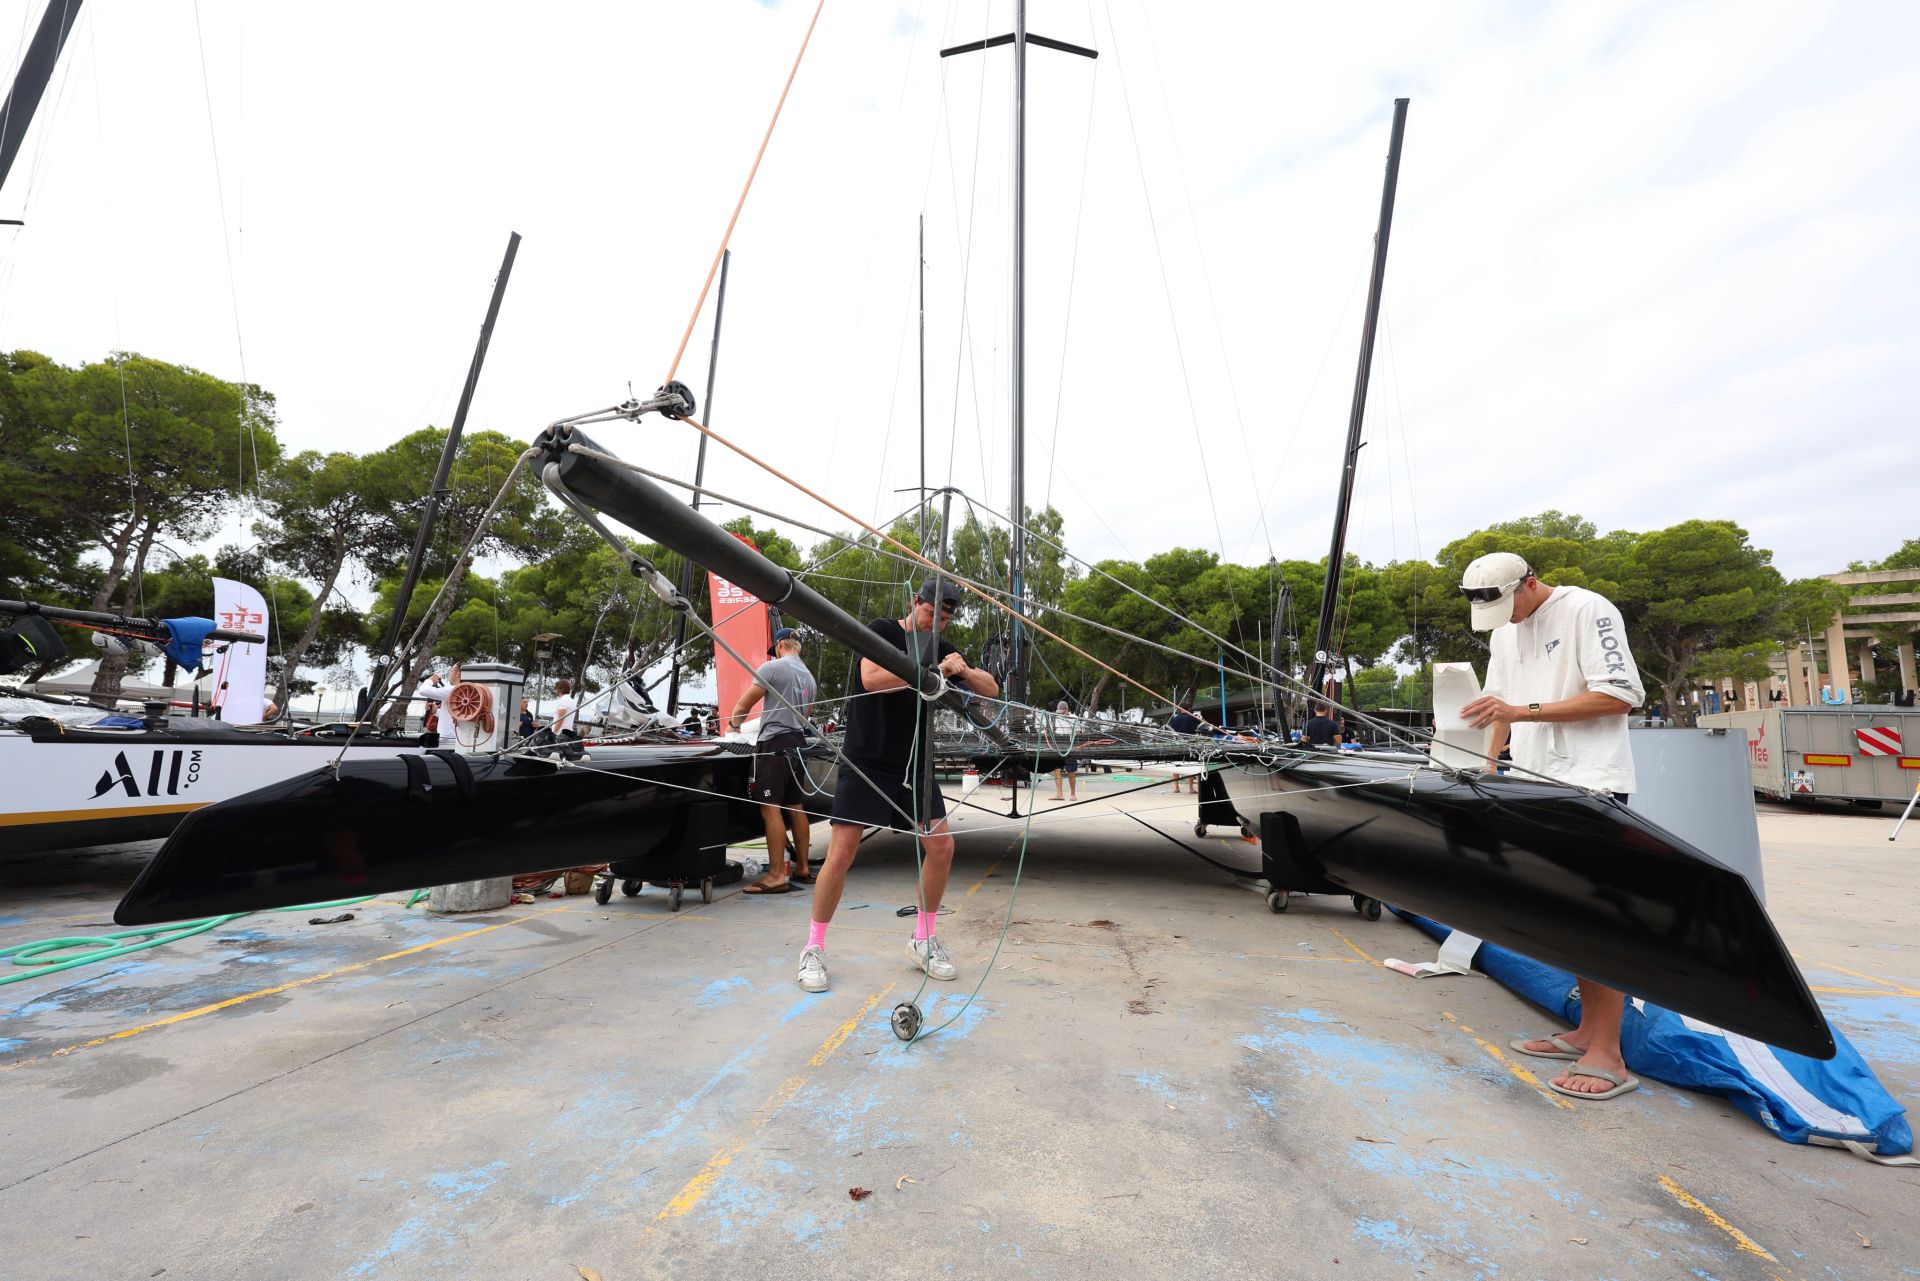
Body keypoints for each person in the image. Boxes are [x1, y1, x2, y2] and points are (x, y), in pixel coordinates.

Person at [1457, 551, 1647, 1102]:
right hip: (1533, 782)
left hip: (1590, 784)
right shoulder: (1503, 632)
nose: (1508, 620)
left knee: (1595, 917)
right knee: (1562, 917)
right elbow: (1494, 707)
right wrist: (1486, 767)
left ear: (1530, 583)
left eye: (1509, 607)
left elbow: (1621, 695)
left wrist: (1523, 713)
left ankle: (1610, 1054)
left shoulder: (1588, 609)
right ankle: (1586, 1032)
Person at [797, 579, 999, 993]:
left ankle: (923, 939)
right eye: (930, 614)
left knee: (942, 848)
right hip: (867, 759)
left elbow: (992, 690)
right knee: (842, 854)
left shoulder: (941, 646)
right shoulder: (883, 631)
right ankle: (813, 948)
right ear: (915, 602)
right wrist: (931, 672)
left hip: (914, 763)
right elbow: (871, 678)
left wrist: (963, 670)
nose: (935, 624)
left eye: (944, 619)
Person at [730, 627, 818, 895]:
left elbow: (744, 705)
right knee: (796, 806)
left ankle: (777, 875)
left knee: (770, 807)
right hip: (797, 745)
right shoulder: (809, 677)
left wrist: (733, 727)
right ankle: (803, 868)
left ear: (780, 645)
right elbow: (807, 715)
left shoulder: (772, 668)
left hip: (774, 744)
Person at [1050, 700, 1081, 801]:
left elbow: (1078, 733)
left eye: (1062, 712)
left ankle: (1073, 794)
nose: (1061, 714)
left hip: (1070, 747)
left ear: (1067, 709)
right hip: (1058, 746)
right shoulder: (1056, 718)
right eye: (1059, 712)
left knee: (1070, 771)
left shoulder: (1074, 718)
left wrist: (1077, 746)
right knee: (1056, 770)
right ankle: (1059, 794)